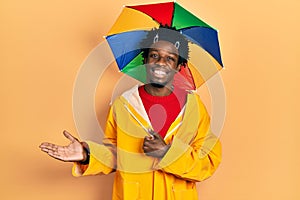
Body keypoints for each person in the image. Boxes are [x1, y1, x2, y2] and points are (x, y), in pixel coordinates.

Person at [39, 27, 222, 200]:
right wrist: (87, 154)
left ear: (178, 65)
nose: (160, 63)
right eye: (154, 55)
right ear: (145, 60)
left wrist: (167, 153)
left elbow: (207, 161)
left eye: (170, 58)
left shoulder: (194, 108)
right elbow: (116, 155)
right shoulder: (123, 105)